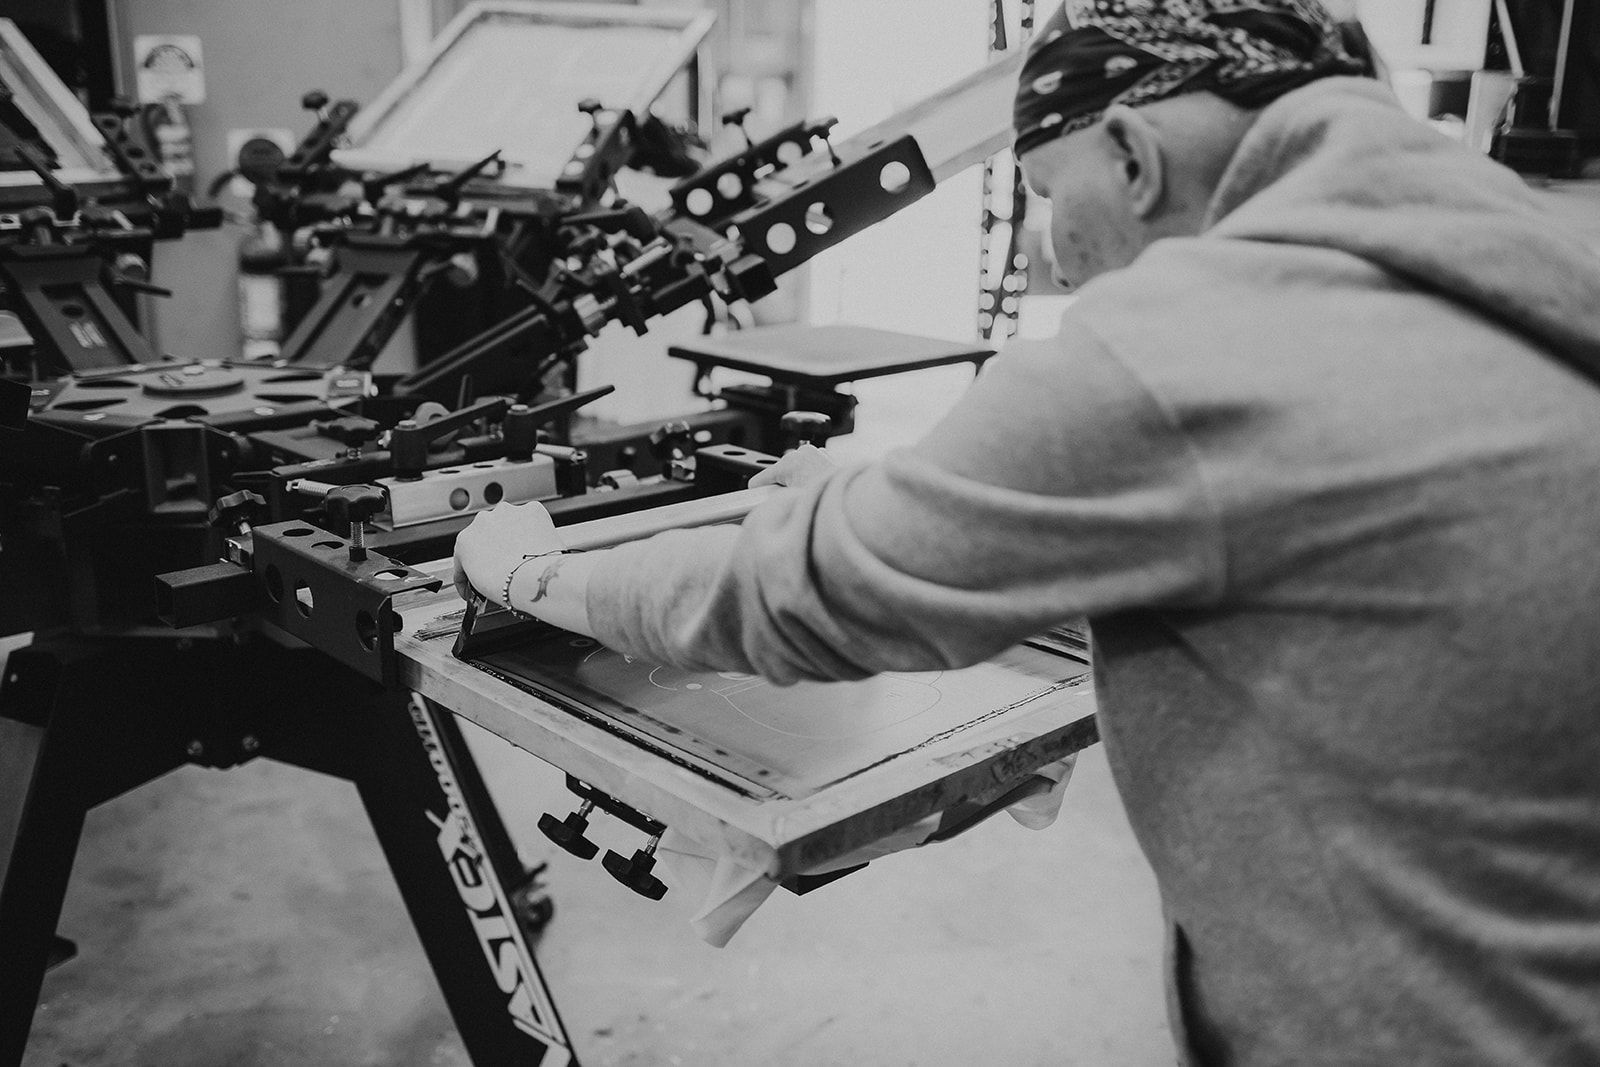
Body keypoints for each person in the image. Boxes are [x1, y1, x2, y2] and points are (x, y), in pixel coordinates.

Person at [455, 2, 1600, 1062]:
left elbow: (796, 595)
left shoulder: (1193, 339)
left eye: (1050, 193)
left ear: (1134, 157)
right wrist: (904, 498)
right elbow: (1271, 505)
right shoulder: (1522, 249)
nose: (1056, 250)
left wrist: (538, 570)